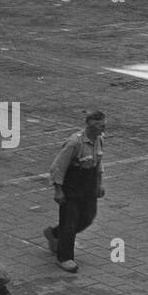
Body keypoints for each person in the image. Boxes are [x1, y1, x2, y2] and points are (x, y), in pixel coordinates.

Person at [44, 110, 105, 274]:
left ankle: (55, 234)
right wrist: (58, 190)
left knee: (87, 217)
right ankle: (64, 257)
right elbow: (58, 167)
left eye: (103, 125)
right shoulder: (74, 142)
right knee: (69, 222)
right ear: (90, 125)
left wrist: (99, 184)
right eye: (99, 125)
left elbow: (98, 163)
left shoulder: (100, 139)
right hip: (72, 186)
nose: (102, 128)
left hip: (89, 185)